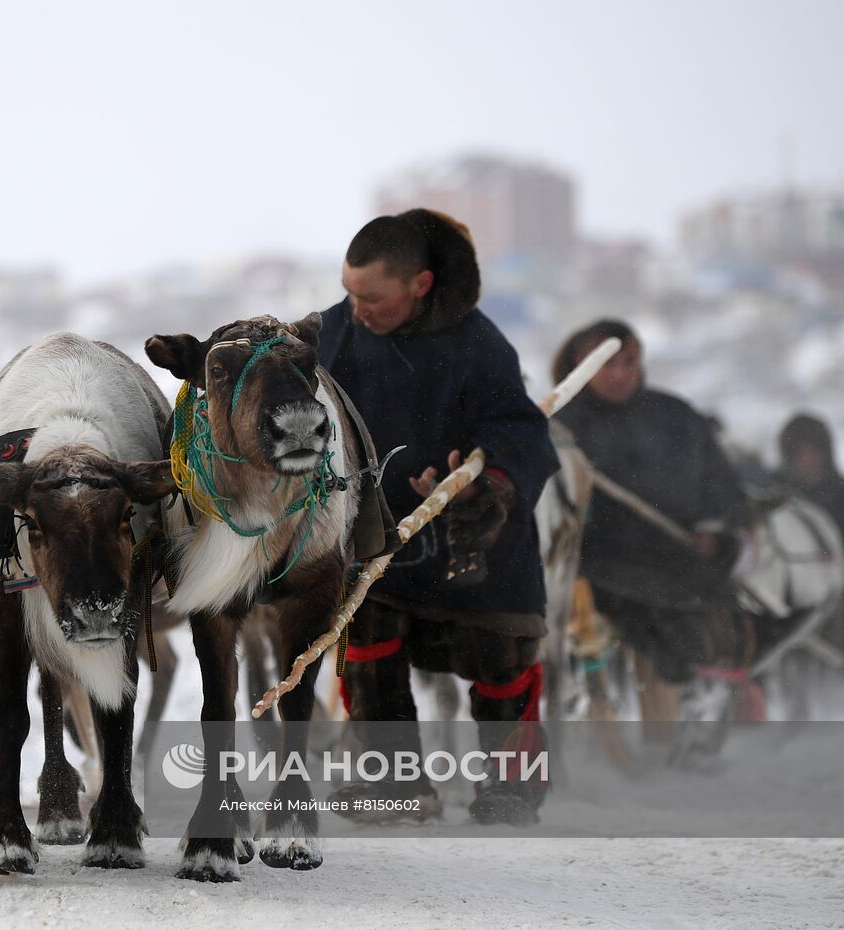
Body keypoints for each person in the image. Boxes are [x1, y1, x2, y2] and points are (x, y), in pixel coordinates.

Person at [317, 209, 560, 826]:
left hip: (473, 532)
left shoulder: (481, 345)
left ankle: (510, 788)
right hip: (380, 534)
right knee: (367, 641)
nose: (357, 309)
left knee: (501, 655)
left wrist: (487, 484)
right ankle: (394, 784)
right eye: (349, 293)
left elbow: (520, 433)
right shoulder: (334, 334)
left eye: (373, 297)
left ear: (420, 284)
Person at [552, 320, 747, 728]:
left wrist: (713, 526)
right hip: (596, 563)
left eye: (629, 362)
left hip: (679, 553)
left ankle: (707, 700)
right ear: (580, 363)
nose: (621, 374)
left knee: (720, 619)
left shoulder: (676, 416)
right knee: (648, 613)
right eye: (608, 364)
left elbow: (722, 483)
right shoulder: (558, 430)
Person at [775, 413, 844, 534]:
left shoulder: (840, 497)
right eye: (801, 454)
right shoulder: (777, 500)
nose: (809, 461)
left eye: (814, 453)